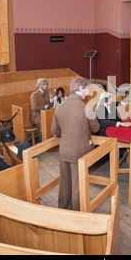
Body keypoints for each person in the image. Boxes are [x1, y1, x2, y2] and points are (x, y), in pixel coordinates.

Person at [51, 77, 100, 211]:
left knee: (65, 184)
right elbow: (96, 128)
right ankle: (78, 214)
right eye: (87, 88)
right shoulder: (87, 108)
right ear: (80, 89)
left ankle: (64, 210)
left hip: (64, 150)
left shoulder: (60, 107)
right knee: (78, 186)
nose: (88, 90)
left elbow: (54, 131)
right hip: (80, 152)